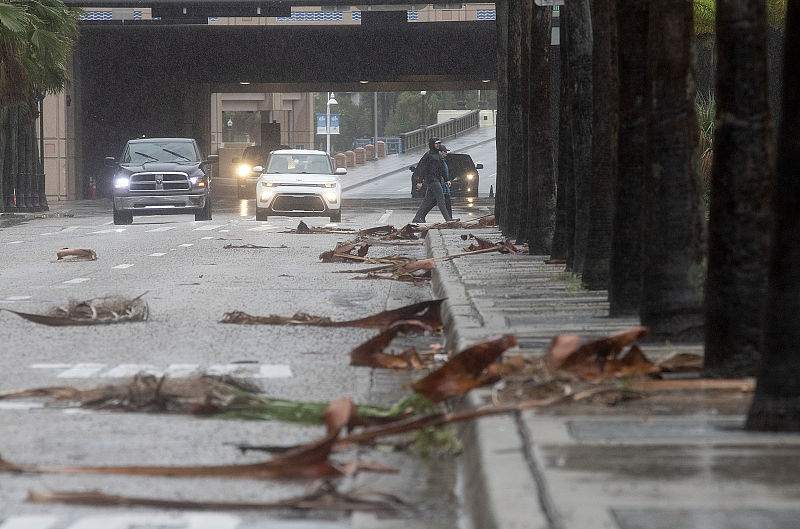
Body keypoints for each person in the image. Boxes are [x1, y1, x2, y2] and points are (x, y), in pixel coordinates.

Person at [412, 137, 459, 223]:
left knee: (427, 201)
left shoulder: (439, 155)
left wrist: (447, 180)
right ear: (432, 144)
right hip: (431, 180)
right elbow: (422, 169)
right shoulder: (428, 155)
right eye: (436, 143)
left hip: (437, 179)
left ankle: (417, 217)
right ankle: (448, 219)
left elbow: (443, 169)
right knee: (441, 199)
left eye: (439, 143)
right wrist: (419, 181)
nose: (438, 145)